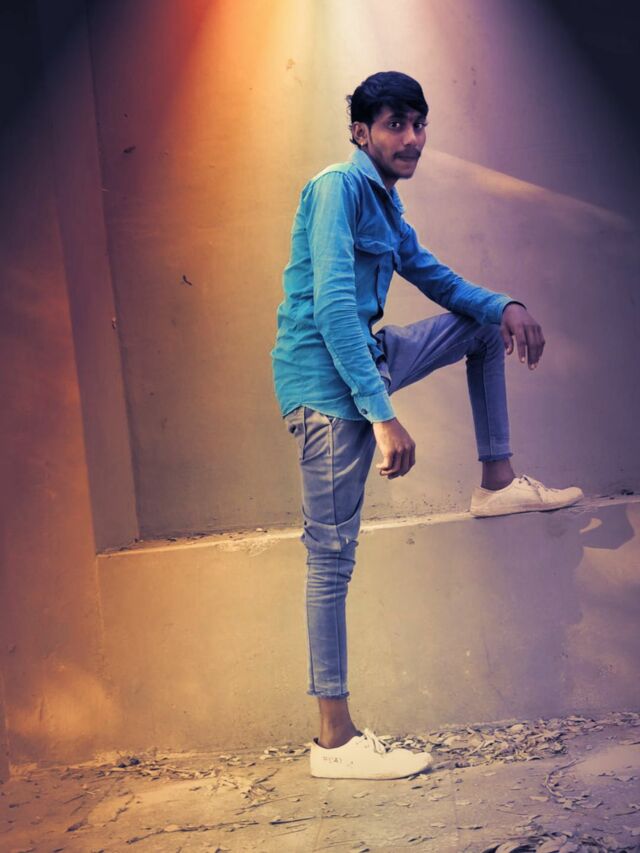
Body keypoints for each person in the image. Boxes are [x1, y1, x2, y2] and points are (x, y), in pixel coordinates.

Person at [270, 71, 583, 781]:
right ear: (361, 132)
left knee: (479, 323)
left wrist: (505, 304)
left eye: (419, 124)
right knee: (330, 557)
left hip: (368, 359)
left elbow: (437, 278)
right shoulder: (337, 189)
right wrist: (382, 417)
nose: (411, 138)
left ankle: (496, 481)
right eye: (394, 124)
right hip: (325, 387)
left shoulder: (386, 204)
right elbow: (331, 310)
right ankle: (334, 741)